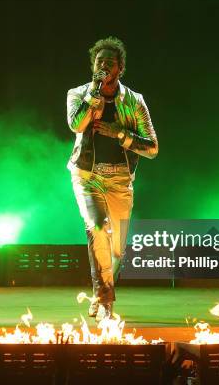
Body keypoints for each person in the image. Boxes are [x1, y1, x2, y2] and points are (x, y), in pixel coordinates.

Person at [66, 37, 158, 320]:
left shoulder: (134, 101)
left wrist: (119, 133)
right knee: (97, 227)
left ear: (120, 69)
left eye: (110, 62)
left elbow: (152, 147)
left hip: (120, 180)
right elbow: (76, 124)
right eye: (99, 61)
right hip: (87, 176)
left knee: (117, 249)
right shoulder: (78, 93)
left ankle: (100, 293)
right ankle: (106, 302)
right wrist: (93, 94)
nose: (104, 66)